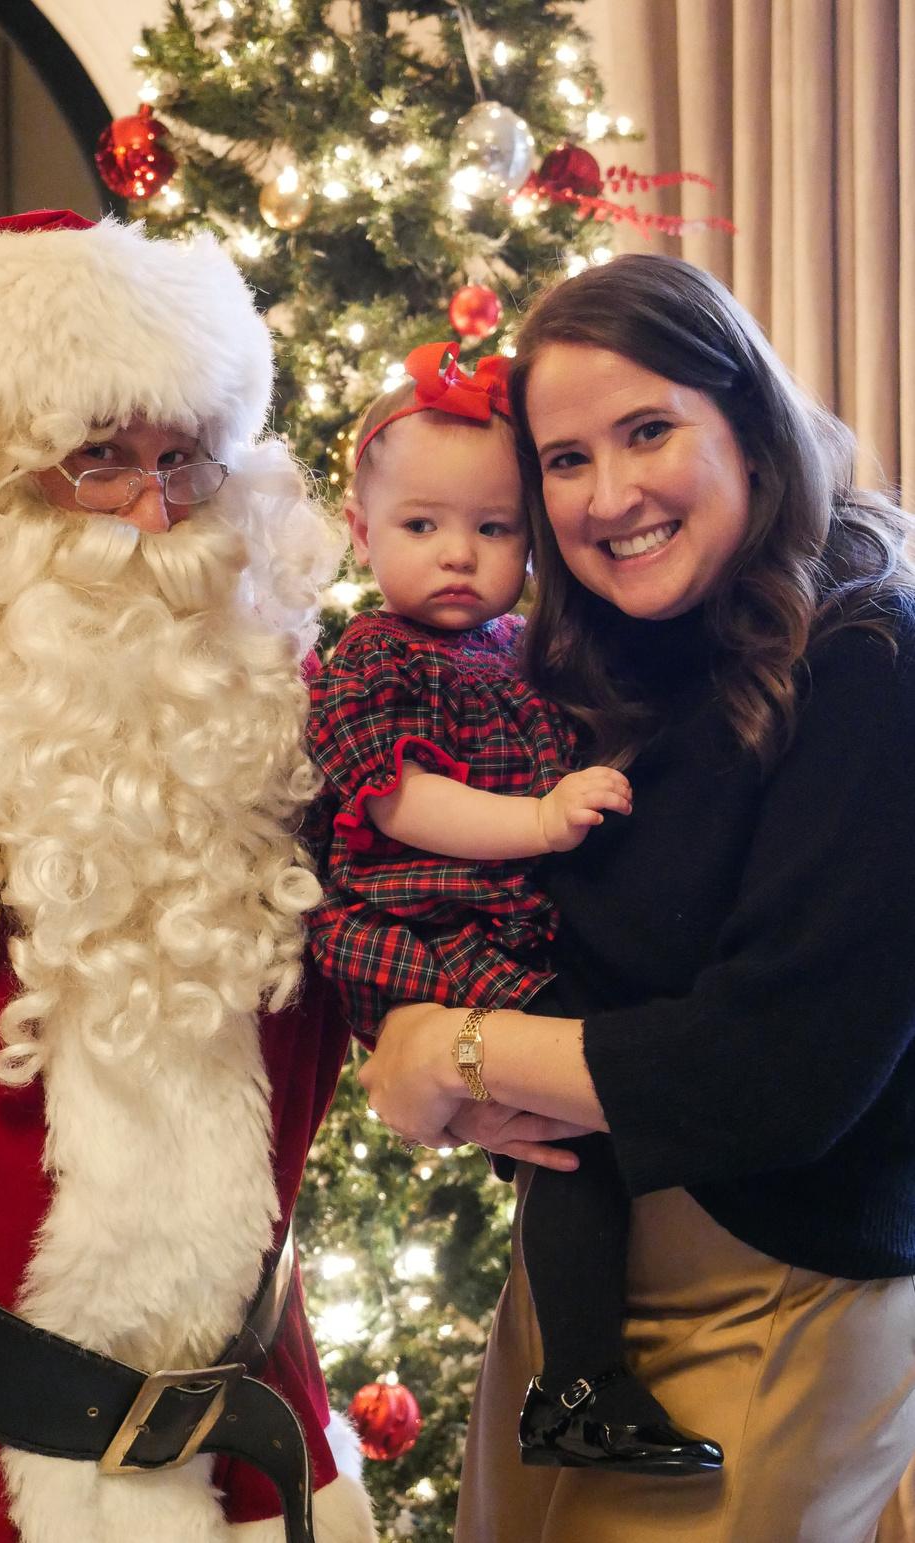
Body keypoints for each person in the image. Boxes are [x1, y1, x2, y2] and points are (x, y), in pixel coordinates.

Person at [0, 211, 375, 1543]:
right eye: (98, 457)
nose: (155, 512)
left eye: (185, 458)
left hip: (251, 1457)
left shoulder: (272, 686)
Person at [357, 253, 915, 1542]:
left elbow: (779, 1068)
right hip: (582, 1295)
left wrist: (451, 1048)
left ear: (749, 426)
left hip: (776, 1290)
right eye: (564, 460)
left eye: (648, 431)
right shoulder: (606, 654)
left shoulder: (873, 662)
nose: (609, 497)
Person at [307, 343, 719, 1473]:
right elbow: (400, 801)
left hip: (501, 927)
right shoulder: (371, 661)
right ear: (360, 532)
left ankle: (579, 1381)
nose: (460, 555)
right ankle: (577, 1385)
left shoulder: (516, 652)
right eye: (423, 526)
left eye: (493, 529)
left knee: (577, 1122)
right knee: (583, 1116)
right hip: (423, 934)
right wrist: (539, 820)